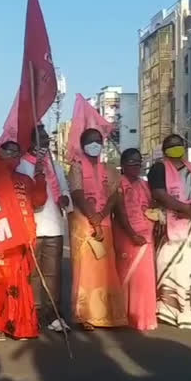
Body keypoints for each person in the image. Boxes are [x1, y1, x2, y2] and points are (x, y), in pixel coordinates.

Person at [0, 141, 47, 341]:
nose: (12, 155)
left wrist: (40, 176)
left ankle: (21, 325)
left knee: (21, 282)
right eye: (8, 151)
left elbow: (38, 201)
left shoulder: (25, 180)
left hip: (23, 237)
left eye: (16, 152)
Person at [68, 128, 127, 329]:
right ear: (83, 145)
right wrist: (93, 218)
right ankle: (85, 315)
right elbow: (77, 193)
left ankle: (107, 314)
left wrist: (101, 216)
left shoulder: (110, 169)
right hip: (83, 225)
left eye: (98, 141)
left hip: (105, 223)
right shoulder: (76, 167)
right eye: (90, 141)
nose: (95, 144)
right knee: (86, 269)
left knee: (105, 269)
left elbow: (114, 196)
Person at [148, 134, 191, 329]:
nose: (176, 149)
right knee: (167, 262)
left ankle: (188, 309)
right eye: (172, 146)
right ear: (165, 150)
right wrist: (183, 208)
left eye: (179, 145)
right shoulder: (159, 169)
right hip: (169, 226)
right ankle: (166, 308)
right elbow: (158, 193)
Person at [18, 124, 72, 333]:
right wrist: (37, 174)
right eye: (40, 138)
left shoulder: (55, 164)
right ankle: (33, 314)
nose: (46, 142)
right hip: (32, 227)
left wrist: (65, 197)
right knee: (32, 274)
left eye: (47, 138)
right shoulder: (22, 165)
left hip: (55, 227)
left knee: (53, 274)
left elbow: (63, 187)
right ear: (31, 142)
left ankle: (54, 315)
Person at [113, 148, 157, 332]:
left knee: (145, 277)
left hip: (146, 235)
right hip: (126, 235)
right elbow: (120, 211)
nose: (136, 165)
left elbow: (150, 205)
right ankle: (123, 314)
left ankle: (144, 316)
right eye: (131, 162)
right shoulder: (119, 184)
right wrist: (132, 234)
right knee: (126, 275)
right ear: (123, 165)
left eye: (138, 162)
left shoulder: (144, 184)